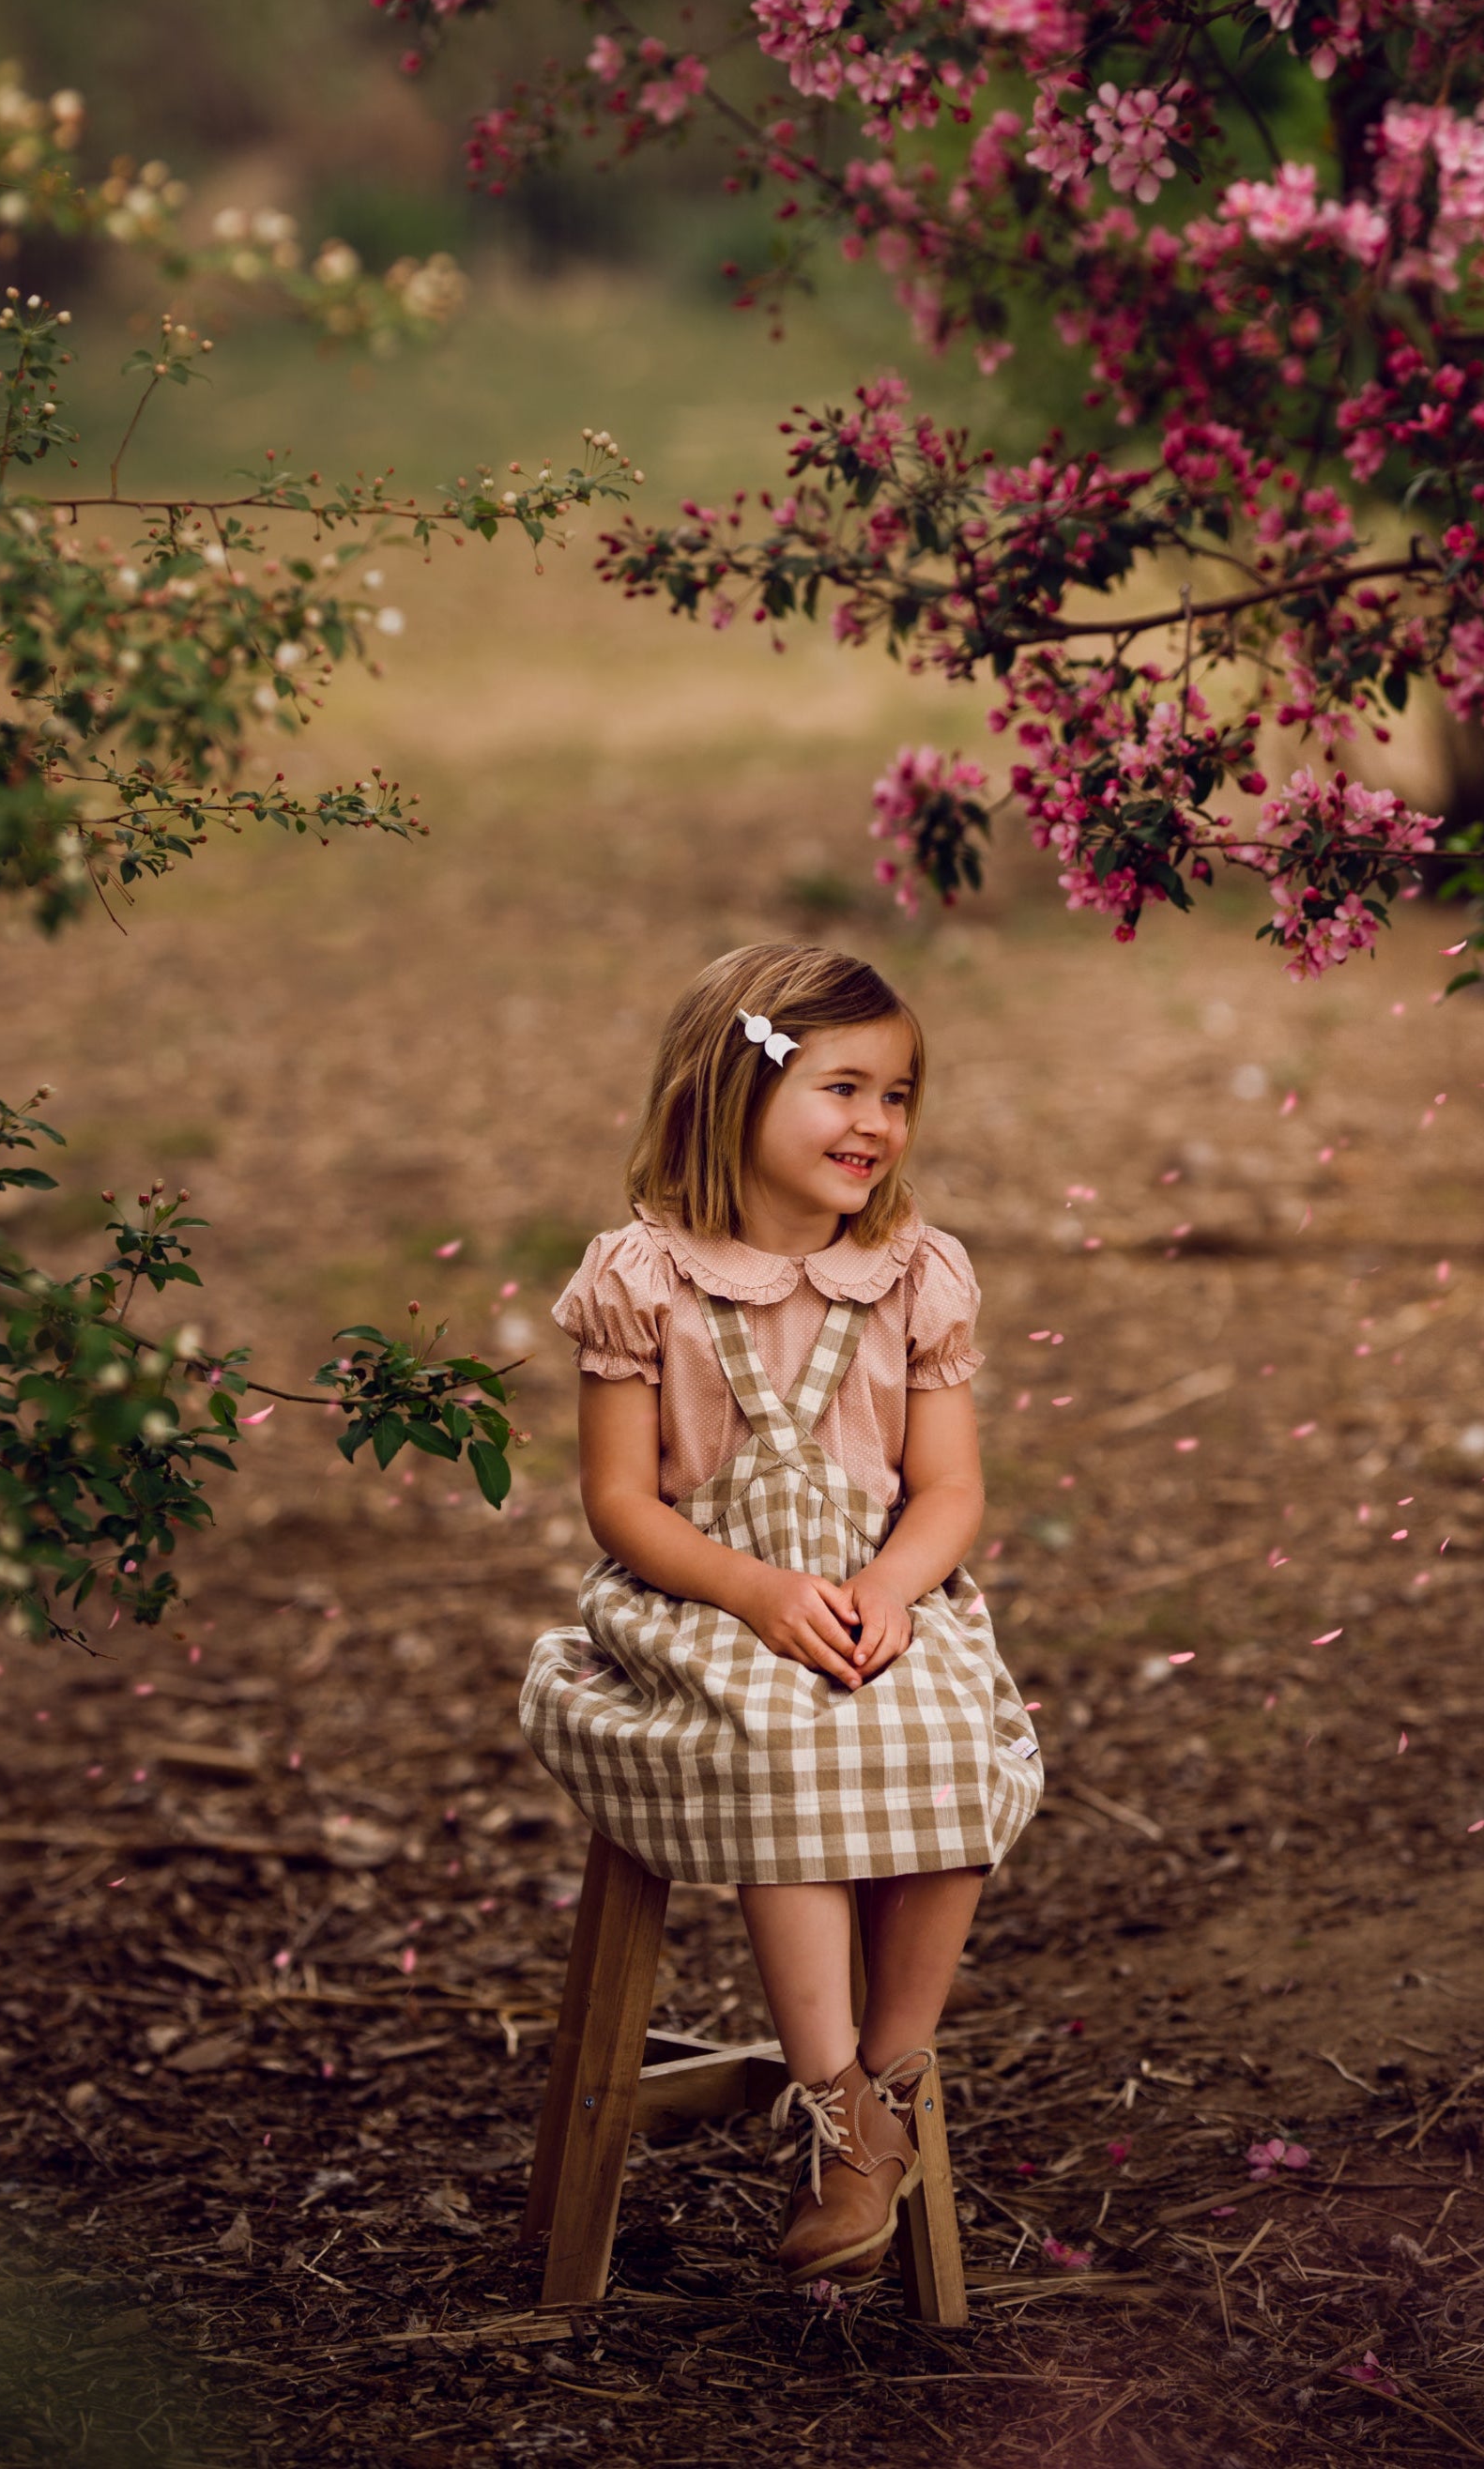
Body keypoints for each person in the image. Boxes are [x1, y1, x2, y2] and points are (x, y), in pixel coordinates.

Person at [521, 942, 1042, 2285]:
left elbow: (950, 1489)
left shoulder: (917, 1273)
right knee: (780, 1736)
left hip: (879, 1587)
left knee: (949, 1727)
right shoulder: (644, 1277)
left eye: (900, 1094)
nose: (877, 1122)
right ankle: (835, 2106)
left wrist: (885, 1590)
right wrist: (754, 1592)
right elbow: (621, 1505)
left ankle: (891, 2068)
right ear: (728, 1091)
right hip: (707, 1599)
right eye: (843, 1087)